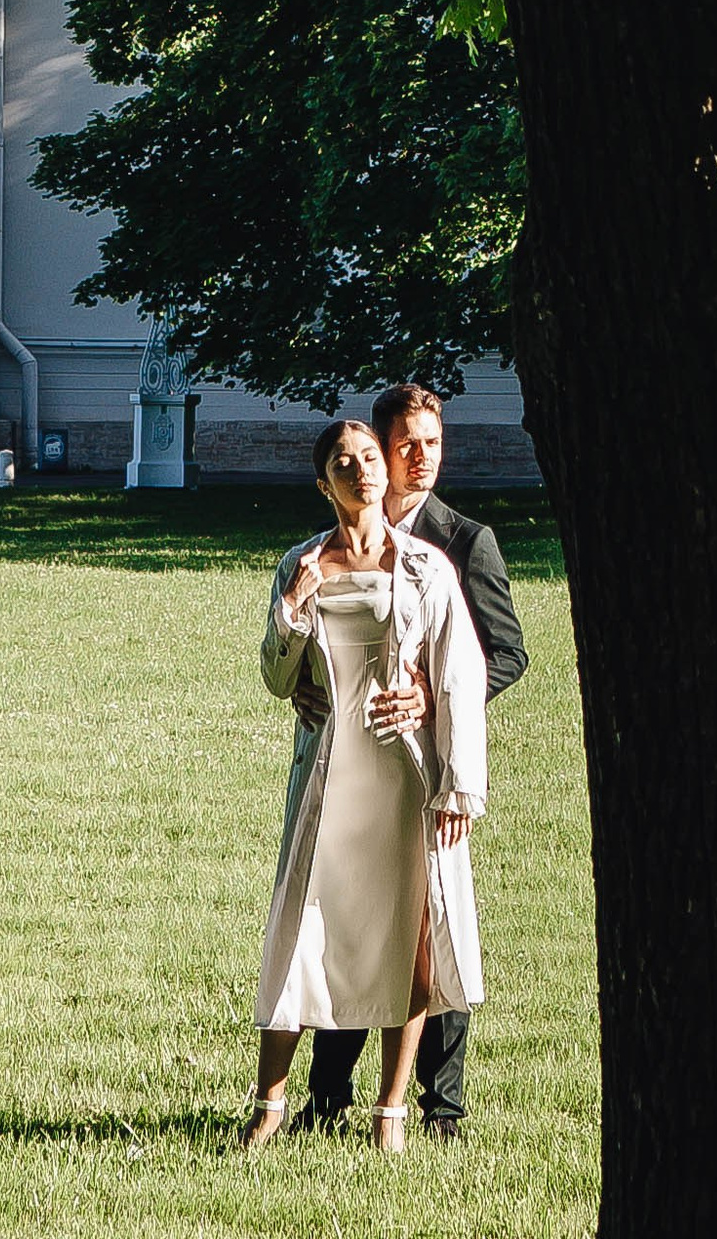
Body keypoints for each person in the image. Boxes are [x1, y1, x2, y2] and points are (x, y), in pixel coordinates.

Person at [242, 413, 488, 1154]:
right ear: (325, 483)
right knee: (303, 928)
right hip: (327, 770)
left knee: (410, 936)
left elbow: (460, 672)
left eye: (370, 457)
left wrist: (457, 783)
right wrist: (293, 612)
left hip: (401, 772)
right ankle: (269, 1103)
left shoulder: (426, 568)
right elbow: (276, 676)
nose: (362, 470)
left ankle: (391, 1113)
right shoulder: (301, 563)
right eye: (343, 463)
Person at [298, 378, 527, 1140]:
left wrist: (432, 698)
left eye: (433, 444)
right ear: (378, 451)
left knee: (435, 927)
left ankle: (441, 1107)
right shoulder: (335, 539)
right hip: (350, 763)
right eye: (406, 446)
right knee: (348, 922)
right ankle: (326, 1099)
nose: (422, 458)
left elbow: (505, 653)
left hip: (429, 764)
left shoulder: (465, 541)